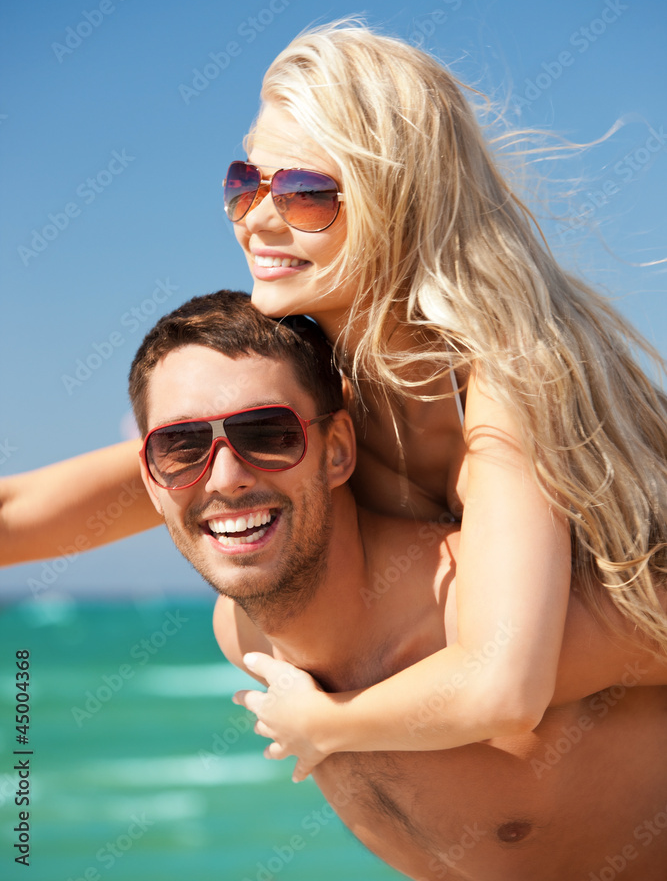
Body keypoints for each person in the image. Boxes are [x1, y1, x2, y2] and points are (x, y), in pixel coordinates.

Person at [2, 20, 666, 766]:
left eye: (305, 193)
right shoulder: (308, 382)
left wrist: (321, 727)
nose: (256, 219)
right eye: (242, 183)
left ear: (402, 200)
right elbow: (27, 514)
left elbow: (502, 688)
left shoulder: (501, 378)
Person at [129, 289, 667, 880]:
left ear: (336, 451)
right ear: (153, 481)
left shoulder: (487, 611)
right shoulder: (243, 636)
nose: (226, 478)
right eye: (180, 447)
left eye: (269, 434)